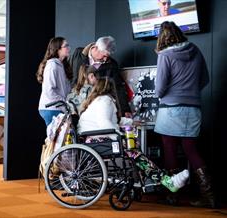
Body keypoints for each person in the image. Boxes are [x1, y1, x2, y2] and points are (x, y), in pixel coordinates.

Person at [77, 65, 189, 193]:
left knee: (133, 149)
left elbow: (113, 121)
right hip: (96, 140)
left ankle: (156, 180)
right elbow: (105, 124)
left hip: (93, 138)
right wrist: (120, 136)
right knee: (132, 150)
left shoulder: (100, 100)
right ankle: (165, 180)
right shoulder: (105, 101)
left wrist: (130, 122)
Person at [154, 21, 216, 208]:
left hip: (171, 110)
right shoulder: (195, 50)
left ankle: (172, 196)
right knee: (191, 150)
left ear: (162, 37)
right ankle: (210, 196)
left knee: (170, 151)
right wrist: (190, 92)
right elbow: (205, 79)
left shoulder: (165, 55)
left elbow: (159, 90)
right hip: (193, 108)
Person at [69, 36, 131, 117]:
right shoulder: (78, 54)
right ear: (95, 48)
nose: (105, 59)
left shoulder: (112, 64)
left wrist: (125, 109)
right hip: (76, 104)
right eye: (104, 55)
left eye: (107, 56)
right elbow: (71, 77)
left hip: (97, 107)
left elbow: (118, 87)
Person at [37, 37, 72, 126]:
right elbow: (49, 90)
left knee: (59, 138)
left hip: (58, 108)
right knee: (56, 139)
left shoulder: (62, 65)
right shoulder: (52, 66)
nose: (69, 48)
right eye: (66, 46)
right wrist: (63, 102)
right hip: (51, 108)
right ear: (58, 49)